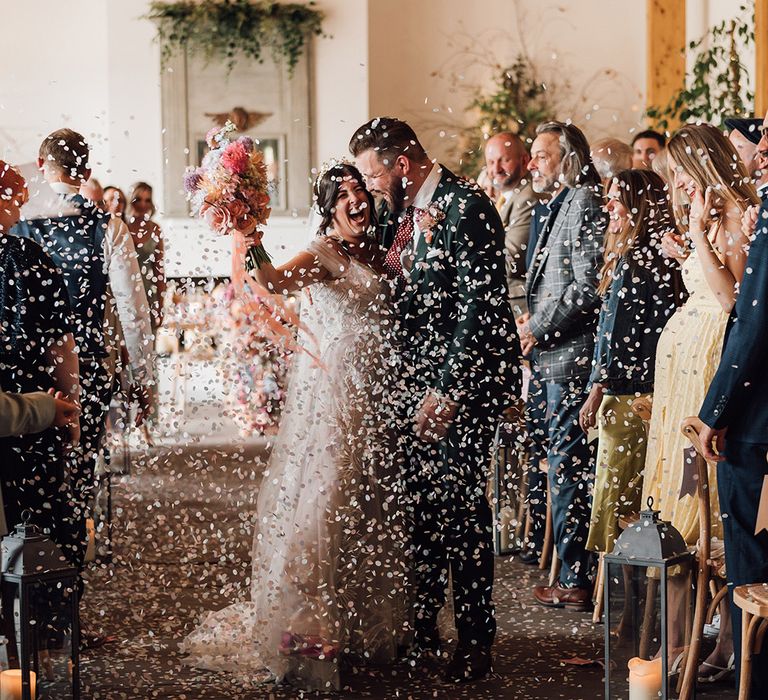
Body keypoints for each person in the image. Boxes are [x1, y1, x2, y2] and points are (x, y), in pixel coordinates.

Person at [182, 162, 408, 691]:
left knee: (370, 505)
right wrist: (248, 235)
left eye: (360, 191)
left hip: (378, 401)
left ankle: (358, 625)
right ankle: (307, 628)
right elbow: (272, 281)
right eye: (343, 194)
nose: (356, 200)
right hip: (338, 403)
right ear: (327, 208)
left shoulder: (379, 250)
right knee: (325, 503)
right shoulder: (326, 251)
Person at [351, 116, 518, 683]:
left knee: (463, 515)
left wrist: (446, 390)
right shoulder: (401, 210)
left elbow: (478, 310)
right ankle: (423, 630)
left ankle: (475, 642)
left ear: (402, 164)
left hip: (461, 389)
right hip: (413, 384)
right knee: (421, 512)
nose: (371, 185)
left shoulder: (466, 206)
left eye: (374, 174)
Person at [642, 123, 759, 676]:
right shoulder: (714, 215)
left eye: (685, 171)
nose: (679, 182)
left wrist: (697, 232)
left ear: (708, 165)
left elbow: (732, 298)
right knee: (679, 503)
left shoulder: (736, 213)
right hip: (682, 370)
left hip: (714, 364)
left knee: (703, 509)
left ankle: (728, 645)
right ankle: (708, 642)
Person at [12, 129, 153, 573]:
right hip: (87, 372)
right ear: (87, 173)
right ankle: (66, 598)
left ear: (41, 165)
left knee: (25, 484)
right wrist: (145, 382)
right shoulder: (107, 227)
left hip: (24, 376)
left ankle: (26, 598)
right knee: (75, 481)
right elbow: (133, 312)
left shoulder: (16, 226)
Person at [516, 120, 606, 611]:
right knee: (557, 464)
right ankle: (571, 572)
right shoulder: (562, 202)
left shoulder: (585, 201)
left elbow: (587, 284)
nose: (532, 163)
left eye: (541, 154)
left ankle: (575, 576)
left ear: (569, 159)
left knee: (570, 468)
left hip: (570, 358)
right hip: (553, 355)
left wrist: (537, 327)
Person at [579, 169, 682, 554]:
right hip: (647, 393)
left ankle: (610, 596)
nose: (608, 206)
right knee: (636, 494)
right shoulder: (659, 254)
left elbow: (616, 337)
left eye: (616, 199)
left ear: (637, 206)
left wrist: (595, 391)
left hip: (626, 398)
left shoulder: (636, 260)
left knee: (614, 497)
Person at [698, 192, 768, 700]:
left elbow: (752, 320)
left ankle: (755, 681)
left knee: (753, 562)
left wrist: (716, 412)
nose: (762, 150)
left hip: (758, 419)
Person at [0, 160, 81, 547]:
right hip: (31, 411)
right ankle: (36, 603)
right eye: (14, 200)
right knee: (35, 529)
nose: (19, 210)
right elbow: (59, 343)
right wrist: (70, 408)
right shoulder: (27, 256)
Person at [484, 131, 540, 315]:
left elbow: (511, 263)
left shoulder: (527, 198)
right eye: (491, 162)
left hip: (517, 306)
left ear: (524, 160)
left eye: (504, 160)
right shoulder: (499, 196)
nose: (496, 169)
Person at [126, 182, 166, 330]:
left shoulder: (155, 229)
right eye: (138, 199)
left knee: (147, 343)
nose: (143, 204)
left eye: (147, 200)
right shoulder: (122, 226)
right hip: (124, 292)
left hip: (147, 292)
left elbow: (159, 270)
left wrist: (160, 306)